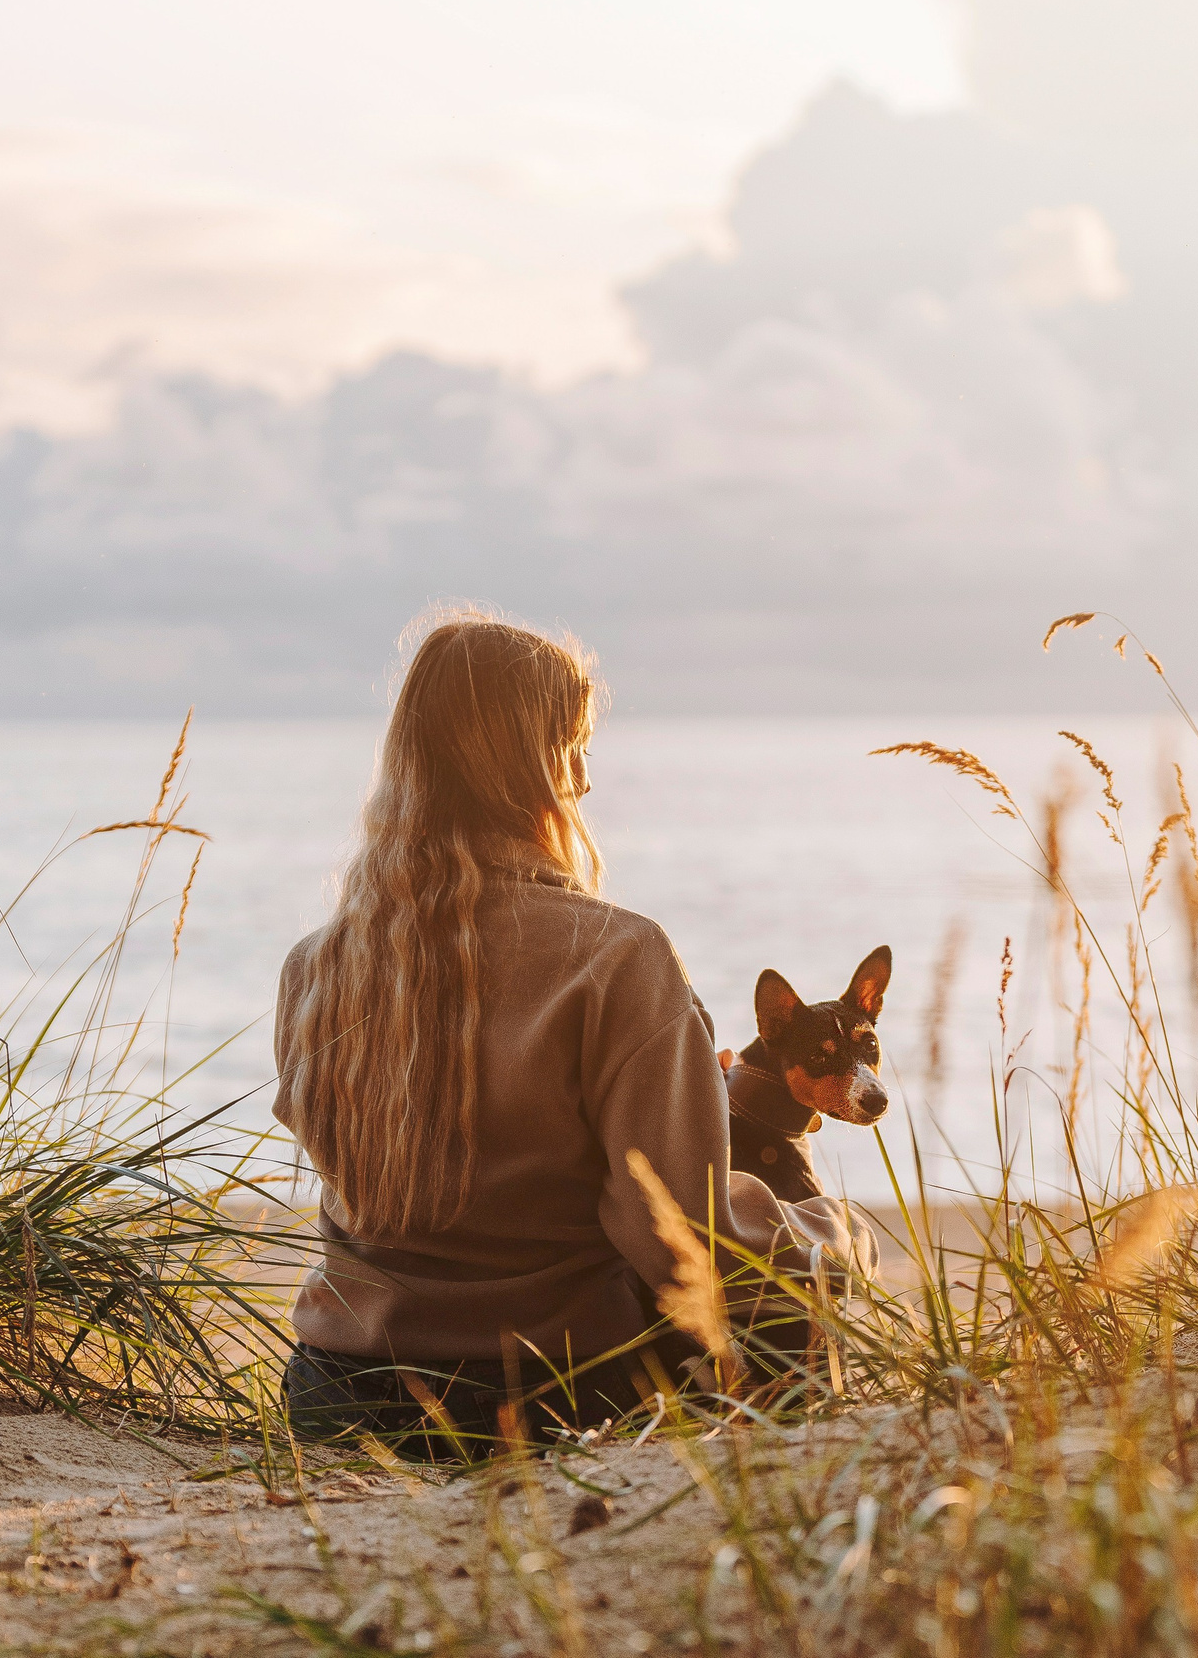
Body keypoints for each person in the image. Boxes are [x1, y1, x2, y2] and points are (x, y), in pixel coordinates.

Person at [272, 611, 868, 1453]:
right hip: (537, 1395)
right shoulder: (619, 957)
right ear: (532, 766)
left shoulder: (316, 966)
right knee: (799, 1285)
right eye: (575, 743)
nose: (586, 778)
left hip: (335, 1392)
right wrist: (833, 1231)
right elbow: (681, 1242)